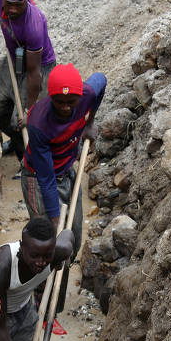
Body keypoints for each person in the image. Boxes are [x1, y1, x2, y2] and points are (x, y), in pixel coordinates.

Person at [21, 63, 107, 322]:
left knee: (73, 240)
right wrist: (54, 220)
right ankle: (38, 305)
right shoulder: (38, 122)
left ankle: (53, 301)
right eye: (61, 102)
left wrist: (88, 124)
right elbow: (46, 179)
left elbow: (100, 78)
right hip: (38, 178)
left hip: (68, 171)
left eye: (72, 102)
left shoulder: (87, 94)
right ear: (51, 97)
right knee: (48, 246)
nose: (67, 108)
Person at [0, 0, 57, 167]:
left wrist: (30, 111)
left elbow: (34, 73)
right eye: (9, 3)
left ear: (28, 0)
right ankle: (19, 145)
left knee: (24, 122)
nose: (12, 9)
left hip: (39, 67)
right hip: (14, 58)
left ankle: (30, 164)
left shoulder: (33, 25)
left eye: (19, 5)